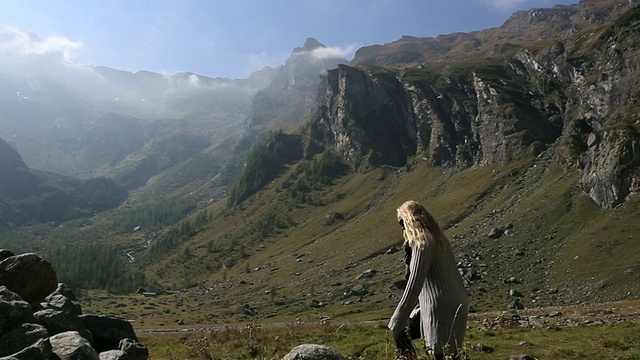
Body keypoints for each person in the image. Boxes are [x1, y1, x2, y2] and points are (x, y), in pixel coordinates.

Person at [389, 200, 468, 359]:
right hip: (454, 302)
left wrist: (398, 317)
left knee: (438, 352)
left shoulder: (422, 243)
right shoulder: (439, 240)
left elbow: (415, 283)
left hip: (439, 307)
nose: (402, 228)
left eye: (402, 222)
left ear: (409, 219)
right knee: (450, 353)